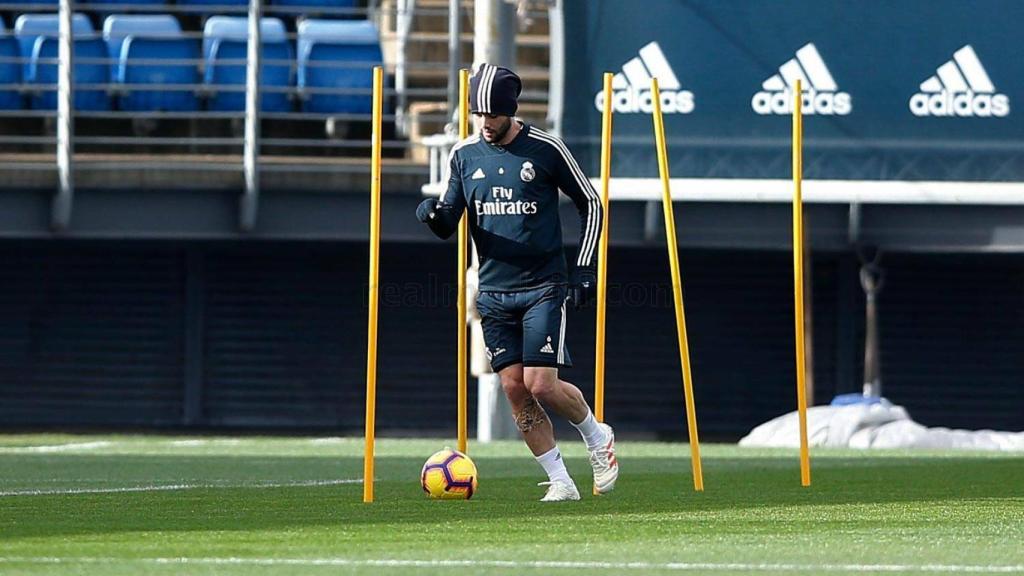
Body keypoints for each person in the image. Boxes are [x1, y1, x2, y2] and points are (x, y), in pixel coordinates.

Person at [416, 63, 617, 501]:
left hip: (543, 285)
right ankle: (561, 481)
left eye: (493, 114)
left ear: (511, 109)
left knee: (541, 383)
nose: (485, 123)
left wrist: (585, 267)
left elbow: (592, 203)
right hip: (492, 292)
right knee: (513, 387)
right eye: (479, 115)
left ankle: (597, 436)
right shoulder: (464, 156)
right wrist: (431, 215)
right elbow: (449, 219)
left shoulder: (545, 149)